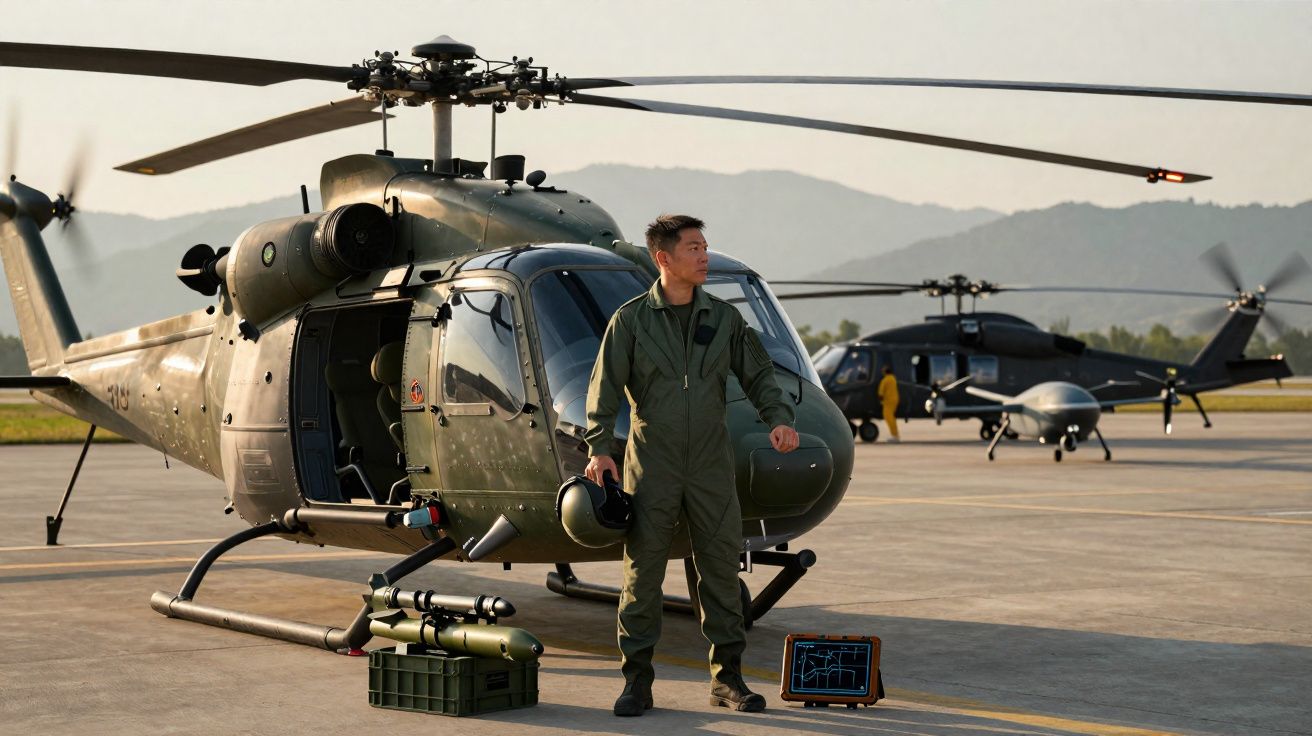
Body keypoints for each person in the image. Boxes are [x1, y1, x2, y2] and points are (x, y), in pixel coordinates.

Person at [584, 214, 800, 717]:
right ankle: (636, 682)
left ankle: (728, 680)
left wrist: (779, 418)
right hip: (651, 463)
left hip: (709, 462)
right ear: (664, 258)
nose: (704, 256)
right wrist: (599, 446)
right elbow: (604, 387)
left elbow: (759, 374)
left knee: (721, 572)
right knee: (643, 577)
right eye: (693, 248)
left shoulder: (723, 319)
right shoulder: (631, 320)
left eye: (705, 246)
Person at [878, 365, 900, 442]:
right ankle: (895, 435)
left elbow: (880, 393)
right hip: (895, 400)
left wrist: (880, 401)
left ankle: (895, 436)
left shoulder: (885, 380)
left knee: (889, 418)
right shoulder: (893, 378)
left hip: (888, 401)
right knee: (892, 418)